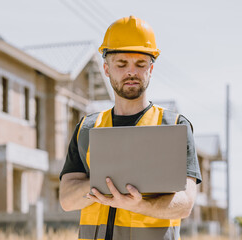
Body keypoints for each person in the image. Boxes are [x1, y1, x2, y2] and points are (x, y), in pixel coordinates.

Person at [59, 16, 202, 240]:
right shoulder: (87, 128)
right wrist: (105, 184)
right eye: (122, 64)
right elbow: (67, 200)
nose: (131, 72)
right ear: (106, 69)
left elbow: (184, 204)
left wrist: (138, 204)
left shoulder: (174, 127)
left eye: (140, 64)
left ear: (151, 69)